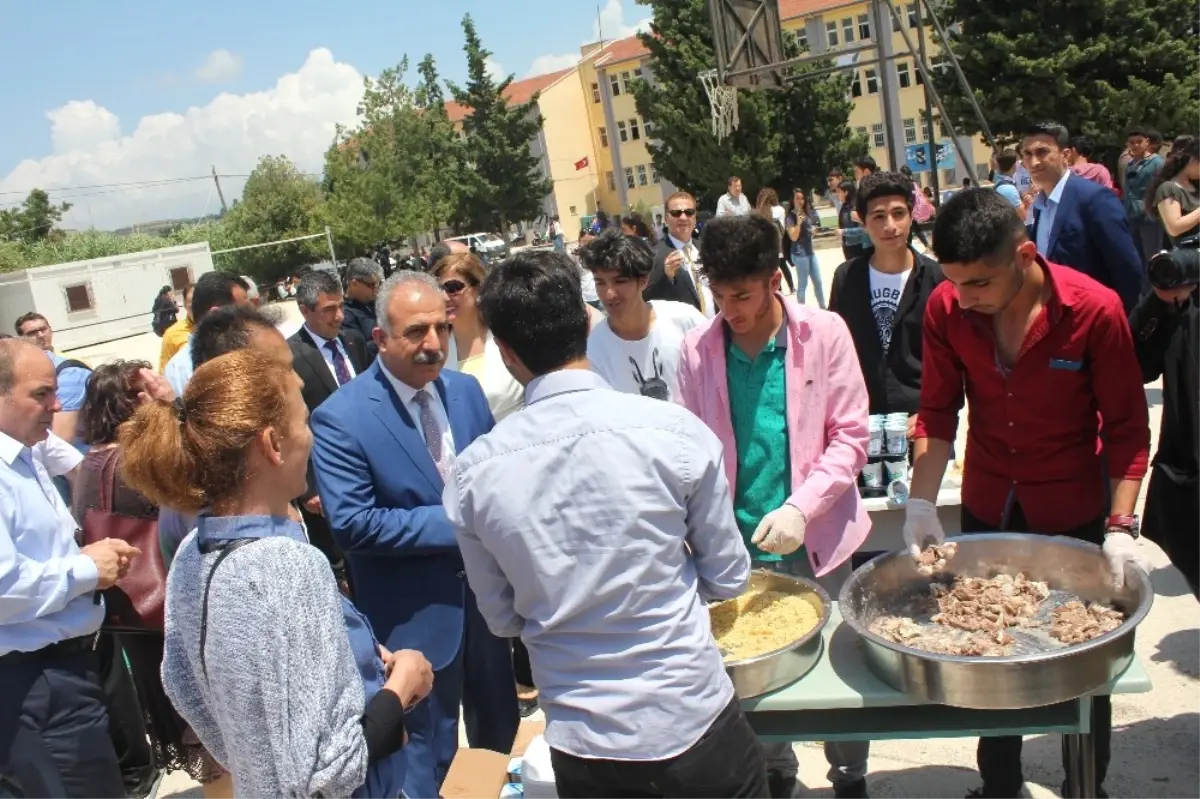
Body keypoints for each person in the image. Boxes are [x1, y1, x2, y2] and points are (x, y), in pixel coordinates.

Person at [444, 248, 769, 799]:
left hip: (584, 744)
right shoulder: (675, 435)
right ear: (584, 319)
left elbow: (502, 619)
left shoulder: (474, 475)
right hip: (691, 719)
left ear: (505, 351)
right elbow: (729, 577)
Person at [904, 188, 1150, 799]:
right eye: (956, 283)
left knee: (1081, 659)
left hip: (1071, 507)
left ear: (1024, 255)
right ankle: (1000, 785)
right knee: (994, 653)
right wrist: (921, 503)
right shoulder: (946, 308)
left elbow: (1126, 428)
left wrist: (1120, 528)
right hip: (992, 500)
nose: (966, 299)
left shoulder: (1095, 311)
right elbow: (936, 411)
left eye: (980, 284)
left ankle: (1086, 784)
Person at [120, 349, 432, 798]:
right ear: (272, 444)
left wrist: (255, 760)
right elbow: (334, 769)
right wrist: (403, 687)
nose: (312, 439)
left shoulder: (195, 550)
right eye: (305, 423)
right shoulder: (288, 567)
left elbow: (181, 682)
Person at [675, 215, 872, 799]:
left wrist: (801, 508)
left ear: (774, 279)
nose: (730, 308)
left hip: (819, 534)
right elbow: (689, 446)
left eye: (742, 294)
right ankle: (775, 771)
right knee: (751, 674)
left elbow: (850, 436)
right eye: (718, 294)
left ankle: (850, 775)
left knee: (838, 672)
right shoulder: (696, 350)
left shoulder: (824, 333)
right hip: (734, 542)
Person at [310, 271, 519, 799]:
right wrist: (459, 522)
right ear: (380, 339)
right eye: (415, 333)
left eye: (441, 329)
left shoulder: (467, 393)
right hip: (413, 622)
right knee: (426, 760)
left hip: (487, 608)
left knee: (503, 740)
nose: (433, 344)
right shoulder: (341, 418)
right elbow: (353, 524)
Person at [72, 361, 223, 797]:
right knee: (207, 724)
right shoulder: (134, 460)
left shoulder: (88, 464)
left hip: (128, 610)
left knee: (175, 713)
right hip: (168, 602)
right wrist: (171, 408)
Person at [0, 338, 139, 798]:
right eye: (41, 393)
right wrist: (84, 569)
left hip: (65, 673)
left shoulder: (28, 455)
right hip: (34, 683)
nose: (56, 405)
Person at [829, 171, 943, 420]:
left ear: (912, 215)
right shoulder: (846, 279)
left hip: (923, 418)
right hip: (861, 419)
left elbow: (950, 359)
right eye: (879, 216)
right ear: (862, 220)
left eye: (898, 213)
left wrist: (930, 412)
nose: (890, 226)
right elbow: (834, 353)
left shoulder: (936, 278)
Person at [288, 271, 370, 582]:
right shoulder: (291, 356)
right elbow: (292, 425)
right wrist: (308, 485)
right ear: (305, 310)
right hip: (324, 476)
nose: (338, 316)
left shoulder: (354, 341)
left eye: (340, 307)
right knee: (339, 559)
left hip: (366, 463)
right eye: (328, 310)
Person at [1022, 121, 1144, 313]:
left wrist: (1126, 323)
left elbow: (1127, 268)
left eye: (1042, 152)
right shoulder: (1039, 206)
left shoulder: (1095, 199)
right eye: (1027, 154)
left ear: (1065, 155)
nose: (1033, 162)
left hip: (1096, 318)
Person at [582, 230, 704, 402]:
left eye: (620, 281)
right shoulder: (593, 348)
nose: (609, 294)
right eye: (600, 283)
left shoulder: (686, 320)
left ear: (644, 280)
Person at [436, 253, 524, 422]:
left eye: (453, 288)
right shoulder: (436, 348)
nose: (444, 297)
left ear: (478, 289)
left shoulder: (510, 336)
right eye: (438, 289)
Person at [14, 312, 92, 454]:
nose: (40, 335)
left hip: (82, 461)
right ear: (21, 340)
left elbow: (61, 440)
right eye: (32, 332)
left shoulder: (68, 371)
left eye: (43, 329)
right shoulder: (30, 370)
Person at [162, 272, 251, 394]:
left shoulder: (174, 369)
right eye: (244, 310)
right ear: (216, 315)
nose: (253, 317)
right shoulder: (178, 371)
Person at [644, 191, 714, 317]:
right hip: (683, 332)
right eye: (676, 213)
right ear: (666, 219)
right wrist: (667, 278)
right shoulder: (653, 255)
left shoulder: (707, 248)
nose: (683, 217)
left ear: (695, 217)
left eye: (689, 212)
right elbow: (646, 298)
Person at [1124, 125, 1168, 265]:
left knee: (1152, 257)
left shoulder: (1157, 163)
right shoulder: (1130, 164)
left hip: (1150, 218)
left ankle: (1154, 286)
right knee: (1136, 257)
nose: (1135, 145)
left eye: (1139, 141)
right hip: (1131, 216)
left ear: (1147, 142)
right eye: (1132, 142)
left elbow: (1164, 188)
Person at [786, 188, 825, 308]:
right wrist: (798, 223)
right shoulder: (790, 217)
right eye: (797, 198)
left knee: (818, 282)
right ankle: (800, 310)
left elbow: (809, 230)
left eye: (802, 198)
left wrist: (813, 231)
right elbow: (793, 237)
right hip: (799, 253)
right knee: (803, 284)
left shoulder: (806, 213)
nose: (800, 201)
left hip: (810, 252)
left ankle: (823, 307)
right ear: (792, 200)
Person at [342, 258, 384, 363]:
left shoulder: (374, 302)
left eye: (378, 284)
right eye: (372, 285)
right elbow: (361, 350)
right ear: (354, 283)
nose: (376, 290)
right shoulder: (345, 314)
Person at [756, 188, 796, 295]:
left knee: (772, 268)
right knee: (783, 265)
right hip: (777, 243)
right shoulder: (780, 209)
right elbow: (782, 228)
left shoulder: (758, 212)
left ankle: (779, 289)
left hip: (765, 245)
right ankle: (792, 287)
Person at [158, 284, 195, 370]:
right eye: (193, 305)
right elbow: (164, 370)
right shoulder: (172, 334)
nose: (198, 309)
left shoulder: (220, 327)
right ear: (185, 305)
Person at [836, 180, 870, 262]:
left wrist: (844, 232)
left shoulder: (854, 209)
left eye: (839, 192)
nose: (837, 195)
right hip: (848, 246)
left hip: (858, 247)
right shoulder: (844, 207)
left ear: (846, 192)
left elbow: (864, 229)